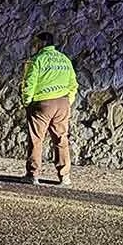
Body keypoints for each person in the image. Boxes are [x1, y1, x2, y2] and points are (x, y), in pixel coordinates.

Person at [20, 32, 78, 186]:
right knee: (61, 138)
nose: (34, 45)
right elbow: (73, 84)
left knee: (36, 139)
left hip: (42, 103)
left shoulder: (36, 60)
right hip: (63, 103)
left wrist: (27, 102)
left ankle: (33, 174)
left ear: (41, 43)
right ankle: (64, 176)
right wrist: (68, 101)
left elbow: (29, 83)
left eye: (35, 43)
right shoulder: (65, 59)